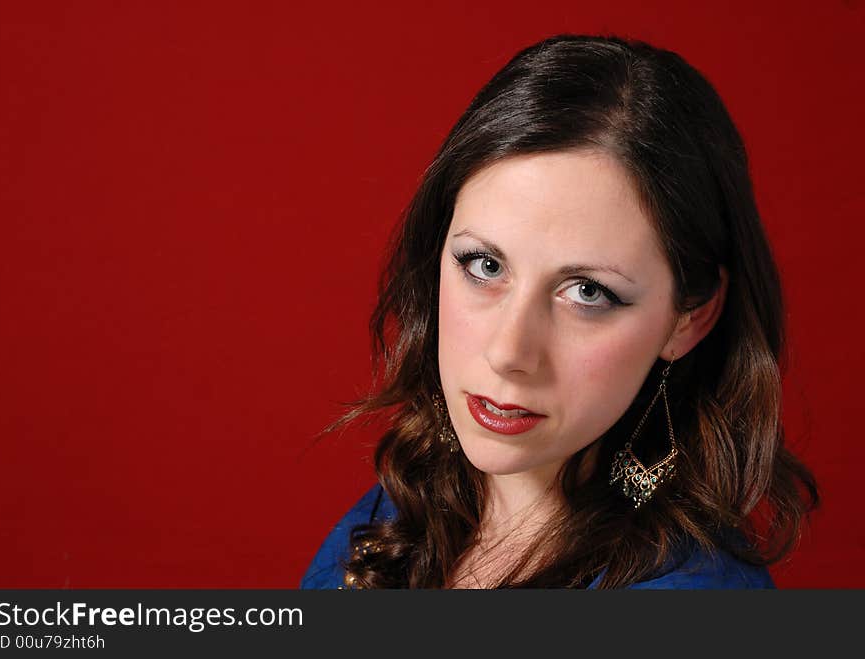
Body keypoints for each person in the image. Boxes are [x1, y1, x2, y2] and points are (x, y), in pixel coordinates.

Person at [301, 34, 818, 589]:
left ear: (688, 315)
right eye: (484, 265)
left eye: (587, 293)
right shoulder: (387, 522)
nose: (508, 352)